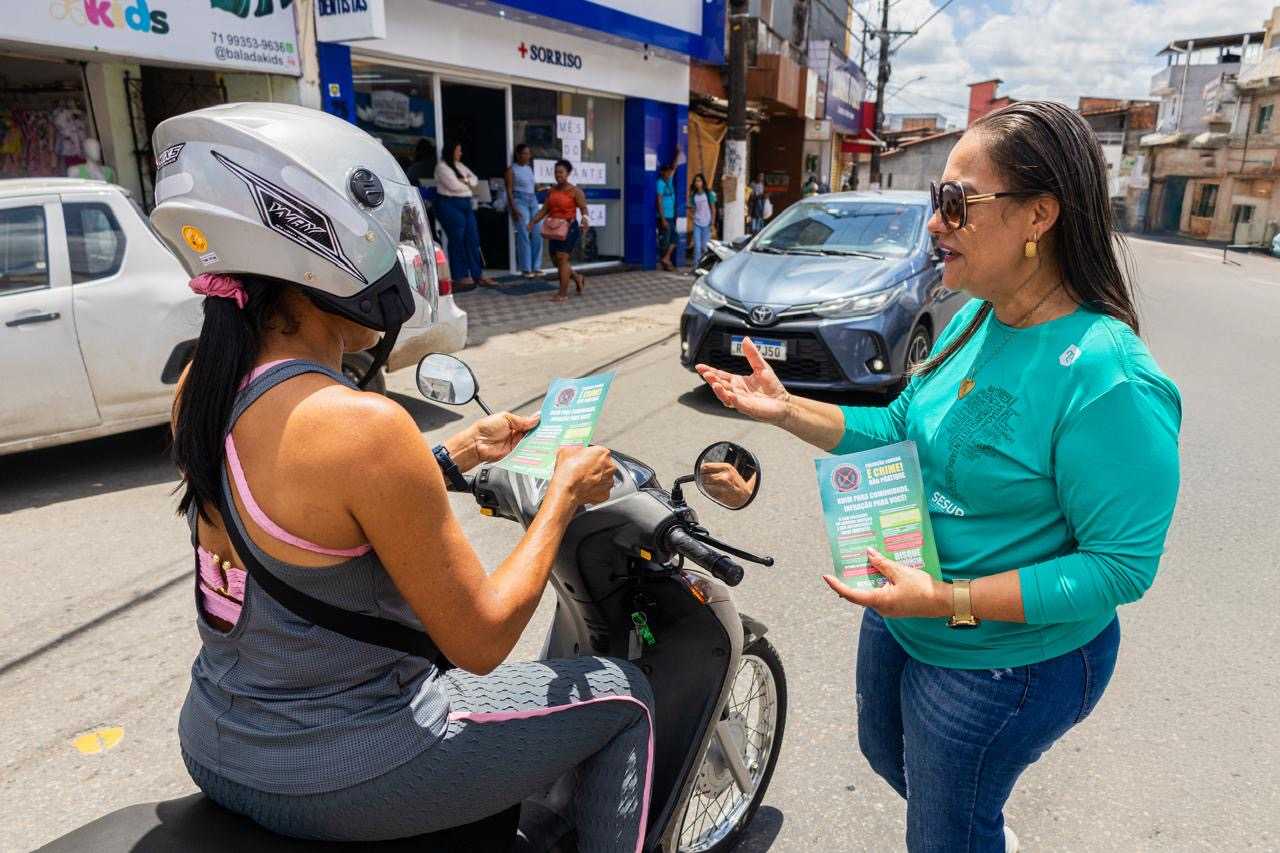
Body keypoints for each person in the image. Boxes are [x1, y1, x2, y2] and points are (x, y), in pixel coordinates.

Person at [150, 103, 653, 850]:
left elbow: (309, 513)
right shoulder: (362, 425)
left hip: (217, 742)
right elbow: (481, 638)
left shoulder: (202, 384)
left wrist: (457, 453)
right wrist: (562, 496)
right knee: (629, 697)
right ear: (318, 247)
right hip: (347, 769)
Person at [696, 100, 1182, 852]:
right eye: (936, 199)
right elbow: (900, 429)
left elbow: (1120, 567)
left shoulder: (1108, 377)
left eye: (957, 202)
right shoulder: (977, 317)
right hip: (908, 611)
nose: (934, 223)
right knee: (888, 756)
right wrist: (786, 408)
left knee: (945, 828)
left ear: (1039, 215)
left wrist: (951, 599)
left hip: (1005, 662)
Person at [434, 140, 496, 288]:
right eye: (458, 150)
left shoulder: (460, 166)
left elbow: (474, 180)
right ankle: (459, 275)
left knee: (473, 239)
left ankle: (477, 274)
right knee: (457, 240)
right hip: (450, 204)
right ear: (451, 151)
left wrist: (465, 180)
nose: (460, 153)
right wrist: (467, 184)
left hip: (466, 204)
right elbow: (454, 186)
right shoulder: (442, 167)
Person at [531, 159, 589, 303]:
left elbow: (584, 209)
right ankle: (577, 277)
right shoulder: (551, 191)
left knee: (562, 258)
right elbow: (545, 210)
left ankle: (562, 293)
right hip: (554, 229)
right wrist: (533, 221)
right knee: (557, 261)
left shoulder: (575, 191)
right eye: (556, 172)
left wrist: (585, 220)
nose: (558, 175)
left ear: (568, 173)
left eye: (561, 172)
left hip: (569, 228)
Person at [505, 143, 542, 278]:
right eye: (525, 153)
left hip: (532, 200)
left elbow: (533, 186)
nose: (528, 156)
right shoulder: (511, 170)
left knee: (537, 231)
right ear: (518, 155)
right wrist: (514, 209)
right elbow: (509, 190)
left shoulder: (529, 168)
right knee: (524, 233)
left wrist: (542, 187)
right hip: (519, 200)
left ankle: (536, 267)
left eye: (529, 153)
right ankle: (526, 268)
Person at [687, 172, 717, 265]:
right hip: (697, 224)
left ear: (703, 182)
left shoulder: (709, 194)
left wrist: (712, 224)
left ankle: (705, 265)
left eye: (699, 181)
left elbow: (713, 209)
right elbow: (692, 209)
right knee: (697, 246)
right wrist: (692, 215)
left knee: (705, 247)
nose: (697, 183)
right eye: (696, 181)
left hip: (707, 224)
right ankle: (696, 266)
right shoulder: (693, 196)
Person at [656, 163, 677, 270]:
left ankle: (666, 258)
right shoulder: (660, 183)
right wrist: (663, 219)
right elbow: (659, 201)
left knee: (675, 238)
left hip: (671, 216)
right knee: (665, 240)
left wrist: (678, 154)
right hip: (664, 217)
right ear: (662, 172)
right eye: (667, 172)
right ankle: (665, 262)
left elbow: (675, 167)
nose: (669, 173)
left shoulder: (669, 180)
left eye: (670, 172)